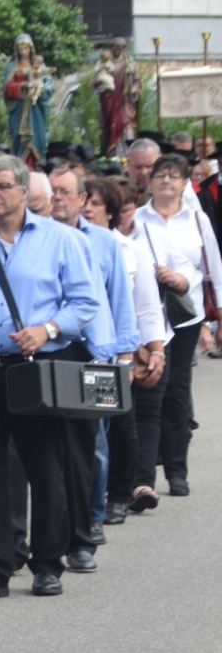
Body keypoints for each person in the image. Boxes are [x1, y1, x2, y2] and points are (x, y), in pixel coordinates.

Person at [0, 154, 98, 600]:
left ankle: (48, 563)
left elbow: (85, 303)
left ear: (22, 191)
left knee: (45, 467)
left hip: (37, 371)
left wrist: (48, 329)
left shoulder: (60, 240)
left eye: (0, 187)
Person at [49, 162, 142, 569]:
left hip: (95, 352)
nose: (57, 199)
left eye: (65, 192)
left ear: (83, 199)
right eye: (51, 191)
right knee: (49, 450)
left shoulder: (105, 242)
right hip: (50, 351)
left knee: (92, 445)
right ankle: (53, 531)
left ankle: (89, 522)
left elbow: (118, 298)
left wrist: (125, 354)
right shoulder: (39, 238)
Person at [133, 153, 222, 501]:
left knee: (176, 391)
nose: (166, 180)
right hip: (148, 314)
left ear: (186, 182)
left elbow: (212, 266)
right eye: (160, 174)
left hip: (186, 314)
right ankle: (142, 476)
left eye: (174, 175)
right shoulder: (138, 220)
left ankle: (176, 470)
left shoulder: (196, 220)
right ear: (150, 181)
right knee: (150, 390)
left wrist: (185, 281)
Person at [82, 176, 167, 526]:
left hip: (116, 352)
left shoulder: (128, 250)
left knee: (115, 428)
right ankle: (85, 499)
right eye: (84, 200)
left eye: (95, 203)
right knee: (87, 433)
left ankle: (116, 495)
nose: (87, 208)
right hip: (77, 351)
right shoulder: (64, 244)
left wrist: (154, 352)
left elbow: (145, 307)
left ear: (111, 212)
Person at [4, 34, 54, 161]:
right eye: (21, 48)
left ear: (31, 48)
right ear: (17, 50)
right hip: (19, 108)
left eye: (26, 48)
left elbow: (49, 84)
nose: (24, 51)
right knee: (18, 136)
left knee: (38, 137)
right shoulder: (12, 67)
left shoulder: (39, 65)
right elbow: (7, 88)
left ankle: (37, 165)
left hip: (35, 107)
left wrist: (41, 89)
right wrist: (23, 85)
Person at [94, 40, 137, 155]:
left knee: (127, 125)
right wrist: (101, 85)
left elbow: (136, 80)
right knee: (111, 128)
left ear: (123, 48)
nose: (117, 49)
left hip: (124, 102)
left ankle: (127, 155)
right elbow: (95, 82)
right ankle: (113, 155)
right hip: (109, 102)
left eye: (120, 47)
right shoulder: (104, 63)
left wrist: (134, 88)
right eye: (115, 47)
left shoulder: (128, 63)